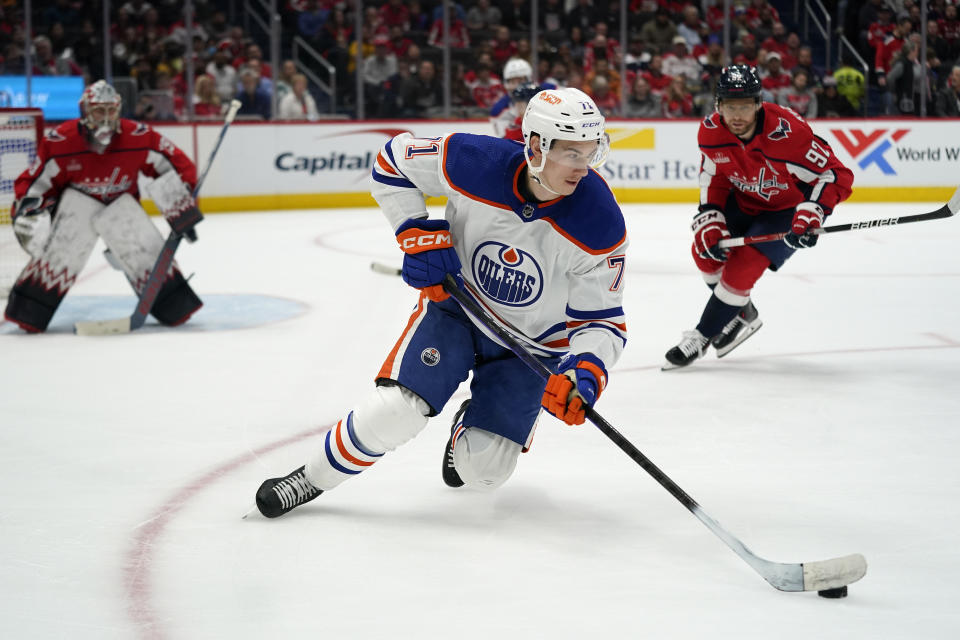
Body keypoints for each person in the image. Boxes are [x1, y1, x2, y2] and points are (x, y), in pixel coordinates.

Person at [254, 88, 627, 517]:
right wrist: (413, 232)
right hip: (458, 311)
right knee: (397, 411)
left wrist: (586, 369)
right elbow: (391, 161)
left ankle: (468, 422)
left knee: (484, 473)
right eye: (572, 154)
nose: (584, 168)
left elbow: (603, 321)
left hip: (533, 348)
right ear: (537, 146)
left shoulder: (600, 221)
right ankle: (310, 477)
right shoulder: (473, 161)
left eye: (591, 152)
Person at [663, 65, 854, 368]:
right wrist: (711, 214)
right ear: (718, 105)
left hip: (785, 211)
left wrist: (812, 212)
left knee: (743, 266)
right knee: (704, 251)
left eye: (744, 106)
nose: (736, 115)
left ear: (758, 104)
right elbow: (712, 175)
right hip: (743, 201)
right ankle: (740, 315)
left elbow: (835, 175)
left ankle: (701, 337)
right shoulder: (711, 131)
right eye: (729, 106)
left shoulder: (788, 133)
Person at [4, 80, 203, 333]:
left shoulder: (139, 136)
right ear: (84, 111)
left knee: (171, 299)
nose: (106, 117)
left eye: (112, 110)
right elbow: (34, 183)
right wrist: (29, 212)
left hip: (122, 215)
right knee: (70, 229)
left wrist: (181, 205)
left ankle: (172, 305)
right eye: (99, 110)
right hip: (73, 217)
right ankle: (29, 311)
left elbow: (174, 165)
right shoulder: (61, 141)